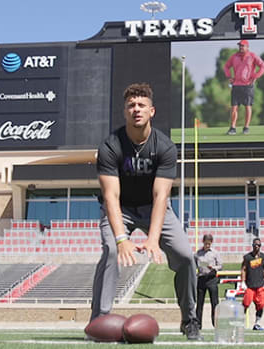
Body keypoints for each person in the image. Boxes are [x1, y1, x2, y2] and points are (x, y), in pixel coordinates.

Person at [91, 82, 202, 341]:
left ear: (152, 111)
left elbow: (161, 195)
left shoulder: (164, 147)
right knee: (109, 251)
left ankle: (190, 319)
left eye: (141, 105)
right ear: (124, 112)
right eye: (131, 105)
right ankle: (100, 320)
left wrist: (153, 239)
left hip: (154, 208)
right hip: (121, 209)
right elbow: (111, 196)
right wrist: (121, 239)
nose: (136, 109)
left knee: (186, 256)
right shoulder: (110, 146)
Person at [223, 39, 264, 135]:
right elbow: (226, 66)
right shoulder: (234, 56)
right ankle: (233, 128)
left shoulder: (252, 56)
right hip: (236, 85)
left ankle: (246, 127)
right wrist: (229, 76)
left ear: (247, 47)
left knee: (248, 107)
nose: (241, 47)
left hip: (248, 86)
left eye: (243, 46)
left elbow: (263, 66)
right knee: (234, 108)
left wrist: (256, 76)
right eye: (240, 46)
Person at [238, 237, 264, 330]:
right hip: (250, 285)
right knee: (246, 303)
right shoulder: (247, 257)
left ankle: (257, 323)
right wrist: (243, 282)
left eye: (258, 245)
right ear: (252, 245)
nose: (257, 246)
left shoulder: (263, 257)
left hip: (260, 285)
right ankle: (240, 322)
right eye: (255, 245)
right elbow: (243, 269)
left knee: (261, 304)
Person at [194, 234, 223, 329]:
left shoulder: (215, 253)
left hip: (212, 279)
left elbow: (220, 266)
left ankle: (215, 323)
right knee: (199, 303)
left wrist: (213, 267)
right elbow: (194, 265)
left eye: (209, 244)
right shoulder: (198, 253)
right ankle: (198, 324)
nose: (207, 245)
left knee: (214, 302)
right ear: (203, 242)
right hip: (202, 278)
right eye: (206, 243)